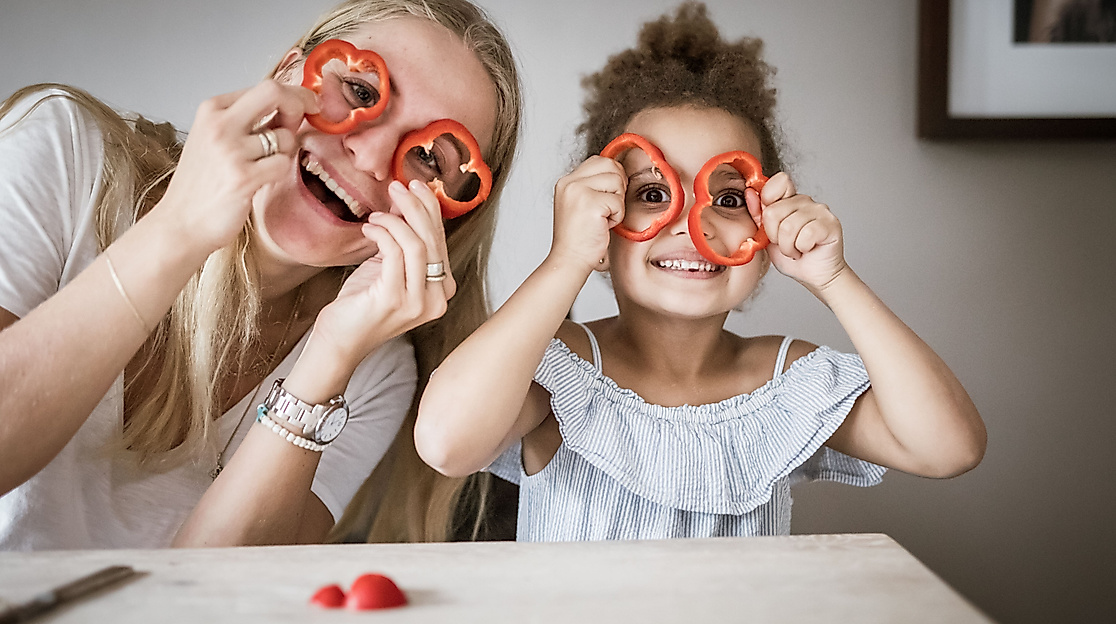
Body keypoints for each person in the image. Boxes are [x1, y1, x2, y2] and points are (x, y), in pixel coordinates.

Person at [414, 2, 986, 542]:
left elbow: (949, 448)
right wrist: (563, 260)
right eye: (655, 192)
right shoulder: (560, 370)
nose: (693, 224)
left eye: (731, 200)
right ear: (604, 220)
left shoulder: (784, 384)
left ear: (769, 229)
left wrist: (834, 279)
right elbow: (446, 443)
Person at [0, 0, 521, 550]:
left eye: (429, 160)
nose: (370, 156)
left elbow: (212, 595)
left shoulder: (371, 371)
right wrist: (180, 229)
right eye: (362, 92)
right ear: (286, 75)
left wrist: (330, 355)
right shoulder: (68, 154)